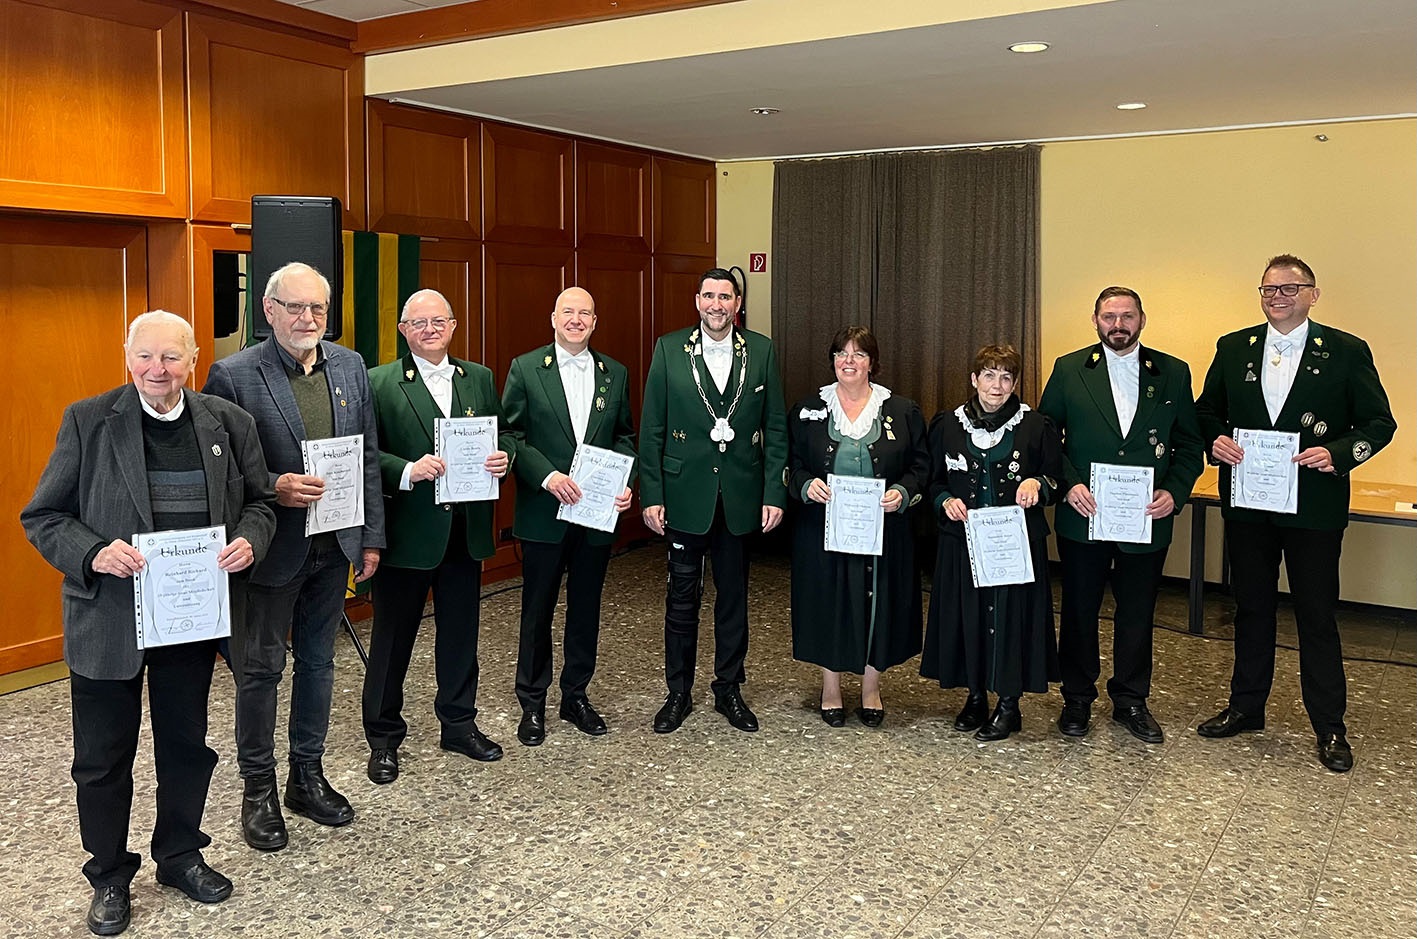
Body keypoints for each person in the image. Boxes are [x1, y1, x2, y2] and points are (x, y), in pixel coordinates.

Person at [21, 312, 275, 936]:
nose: (156, 370)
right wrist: (93, 553)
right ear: (127, 356)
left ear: (193, 359)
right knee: (102, 758)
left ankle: (180, 855)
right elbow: (44, 516)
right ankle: (109, 875)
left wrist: (250, 539)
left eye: (170, 357)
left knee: (186, 748)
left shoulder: (229, 423)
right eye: (144, 356)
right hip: (108, 620)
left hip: (189, 621)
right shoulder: (88, 420)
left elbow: (262, 502)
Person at [202, 261, 385, 850]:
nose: (308, 318)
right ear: (269, 310)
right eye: (296, 307)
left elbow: (367, 456)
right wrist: (273, 485)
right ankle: (257, 790)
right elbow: (217, 472)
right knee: (260, 672)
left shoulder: (350, 366)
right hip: (271, 550)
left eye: (318, 308)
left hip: (335, 545)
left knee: (319, 664)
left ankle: (307, 777)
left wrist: (371, 536)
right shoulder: (234, 376)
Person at [1194, 254, 1395, 772]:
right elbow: (1206, 411)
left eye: (1289, 288)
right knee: (1251, 607)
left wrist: (1339, 453)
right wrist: (1215, 439)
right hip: (1249, 504)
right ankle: (1246, 706)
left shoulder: (1347, 351)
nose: (1277, 297)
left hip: (1313, 508)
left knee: (1316, 614)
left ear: (1313, 294)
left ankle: (1329, 725)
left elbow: (1379, 423)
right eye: (1269, 289)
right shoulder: (1233, 346)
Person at [361, 289, 516, 783]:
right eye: (418, 322)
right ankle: (383, 739)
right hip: (407, 532)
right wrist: (407, 470)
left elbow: (503, 435)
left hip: (464, 531)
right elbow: (364, 452)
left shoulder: (479, 378)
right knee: (392, 639)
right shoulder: (379, 382)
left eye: (438, 321)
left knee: (460, 635)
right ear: (403, 330)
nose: (429, 330)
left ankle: (459, 724)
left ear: (452, 326)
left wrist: (504, 456)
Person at [1037, 286, 1203, 744]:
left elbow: (1190, 444)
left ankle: (1131, 699)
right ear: (1095, 321)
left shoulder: (1172, 372)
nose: (1118, 325)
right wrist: (1069, 484)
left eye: (1127, 316)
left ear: (1142, 320)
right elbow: (1046, 437)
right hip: (1084, 515)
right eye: (1109, 316)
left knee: (1137, 612)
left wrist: (1175, 491)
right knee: (1079, 610)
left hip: (1146, 518)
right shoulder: (1069, 368)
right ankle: (1076, 697)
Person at [639, 268, 788, 733]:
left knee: (734, 600)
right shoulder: (669, 349)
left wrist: (773, 492)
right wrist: (652, 494)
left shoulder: (761, 350)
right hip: (685, 495)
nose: (716, 305)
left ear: (737, 303)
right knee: (681, 600)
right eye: (709, 296)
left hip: (740, 497)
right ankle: (678, 693)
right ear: (697, 301)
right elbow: (652, 427)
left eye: (725, 297)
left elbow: (776, 427)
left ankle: (729, 689)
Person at [503, 286, 636, 746]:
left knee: (586, 608)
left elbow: (624, 436)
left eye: (585, 313)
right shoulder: (525, 368)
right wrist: (547, 476)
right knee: (537, 609)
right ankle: (532, 701)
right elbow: (510, 434)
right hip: (545, 511)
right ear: (553, 318)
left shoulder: (614, 373)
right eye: (568, 312)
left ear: (595, 322)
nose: (576, 320)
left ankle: (575, 695)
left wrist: (623, 481)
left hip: (595, 515)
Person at [787, 326, 927, 727]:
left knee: (877, 604)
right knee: (827, 601)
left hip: (883, 533)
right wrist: (805, 485)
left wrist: (903, 492)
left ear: (872, 363)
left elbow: (922, 467)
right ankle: (830, 688)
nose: (848, 361)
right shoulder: (807, 410)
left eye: (858, 354)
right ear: (832, 360)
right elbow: (789, 463)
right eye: (841, 354)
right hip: (822, 530)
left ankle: (870, 688)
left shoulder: (902, 410)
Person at [921, 344, 1061, 740]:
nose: (996, 386)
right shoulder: (948, 425)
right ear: (974, 379)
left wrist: (1037, 483)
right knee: (969, 616)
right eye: (988, 375)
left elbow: (1057, 478)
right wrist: (944, 500)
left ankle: (1009, 704)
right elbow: (932, 481)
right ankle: (976, 695)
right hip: (962, 542)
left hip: (1015, 545)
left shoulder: (1036, 426)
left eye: (1005, 377)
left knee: (1010, 618)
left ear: (1015, 383)